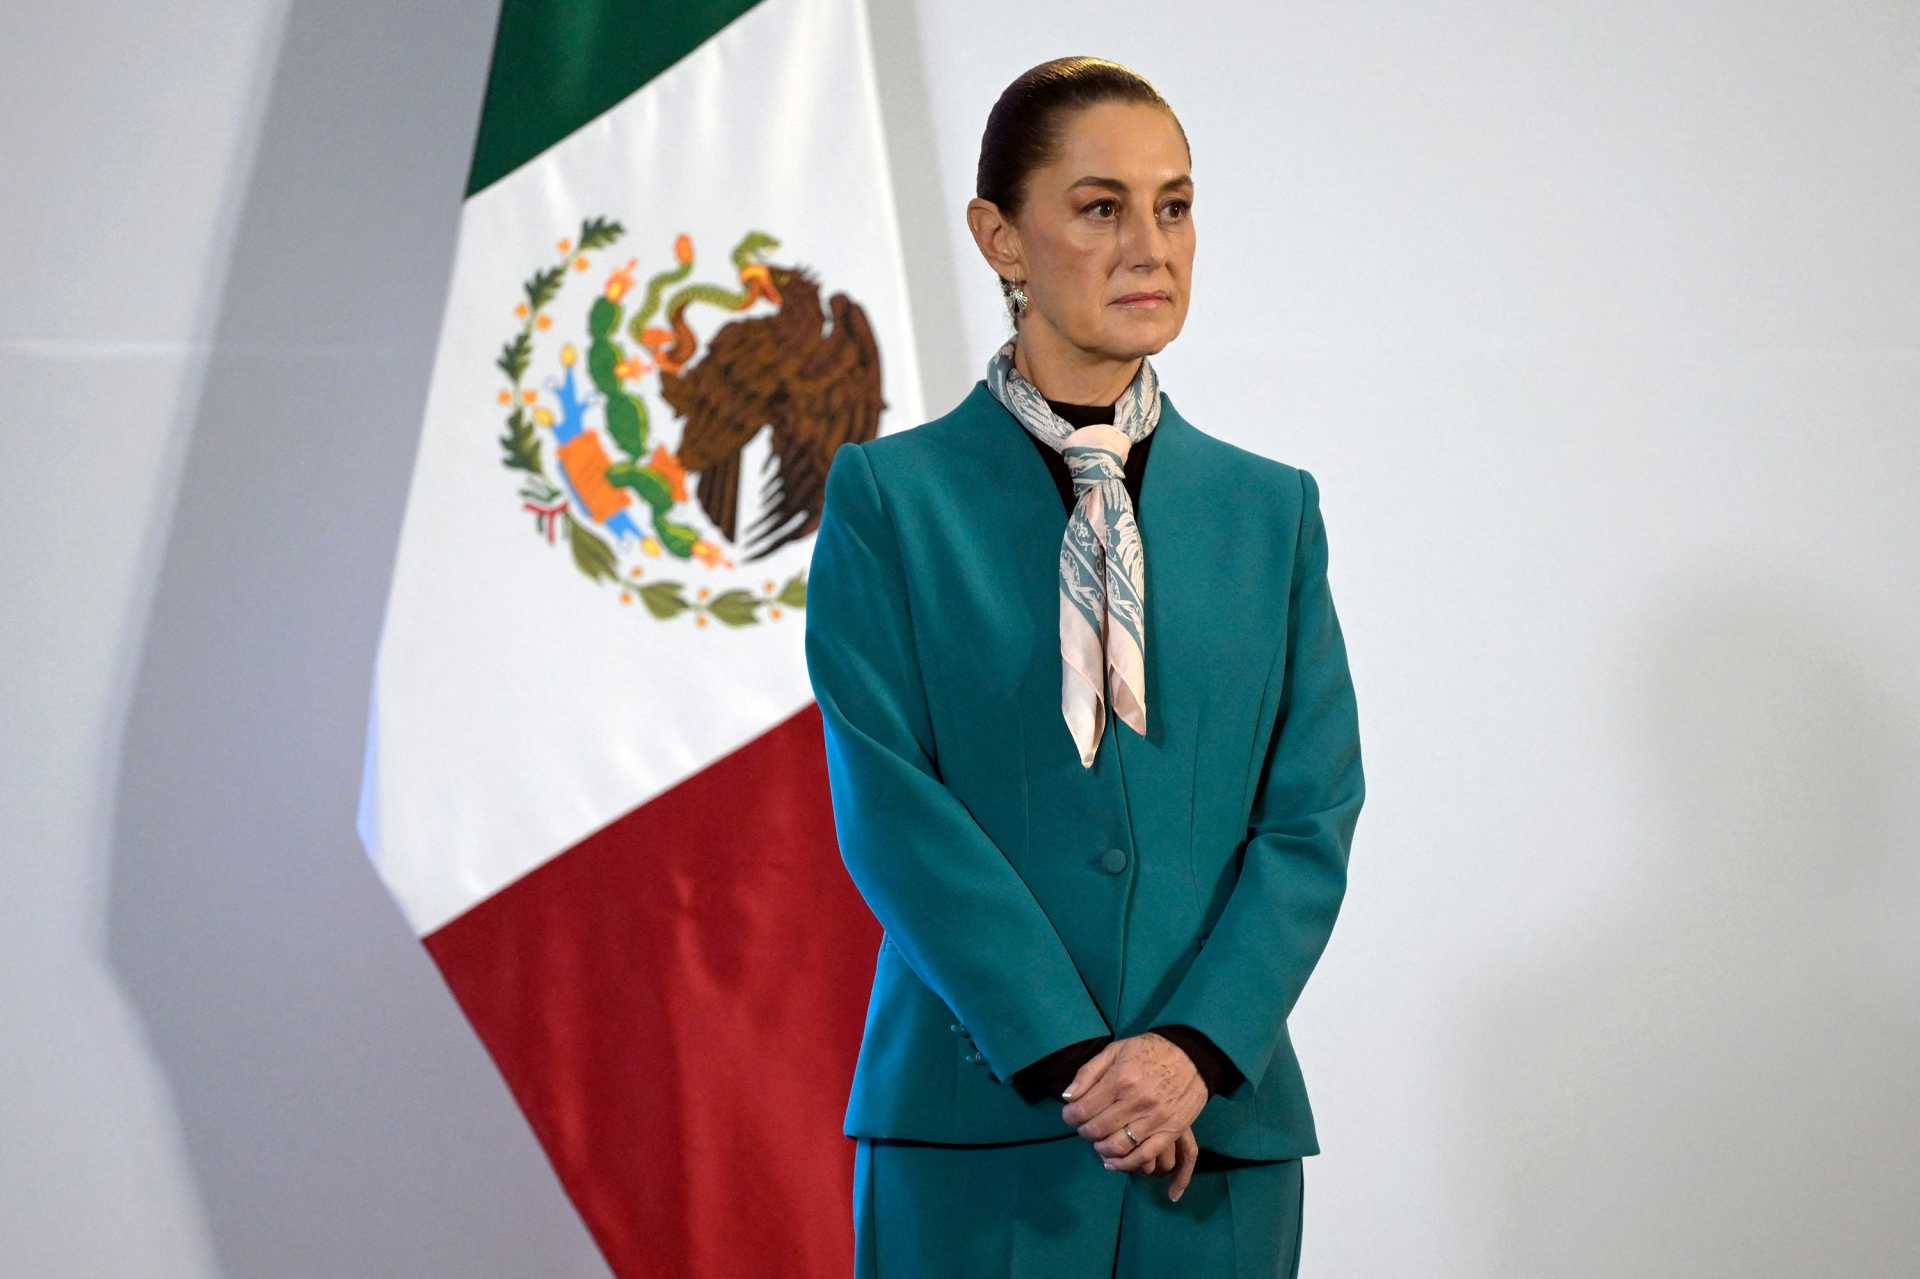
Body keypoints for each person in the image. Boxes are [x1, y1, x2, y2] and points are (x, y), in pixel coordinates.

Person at [804, 55, 1365, 1278]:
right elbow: (889, 807)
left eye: (1175, 205)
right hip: (976, 1131)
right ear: (1000, 237)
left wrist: (1193, 1053)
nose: (1150, 247)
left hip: (1216, 1139)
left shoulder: (1271, 512)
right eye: (1101, 207)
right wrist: (1074, 1061)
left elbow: (1312, 813)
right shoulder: (890, 500)